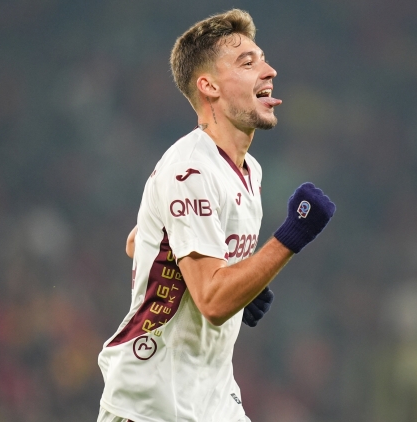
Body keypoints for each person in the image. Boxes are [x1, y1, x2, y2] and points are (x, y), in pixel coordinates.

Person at [97, 9, 336, 422]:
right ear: (209, 86)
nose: (269, 71)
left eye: (263, 59)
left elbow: (141, 241)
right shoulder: (189, 169)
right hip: (152, 403)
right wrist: (292, 235)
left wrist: (240, 281)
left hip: (211, 399)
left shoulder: (248, 171)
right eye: (247, 62)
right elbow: (211, 299)